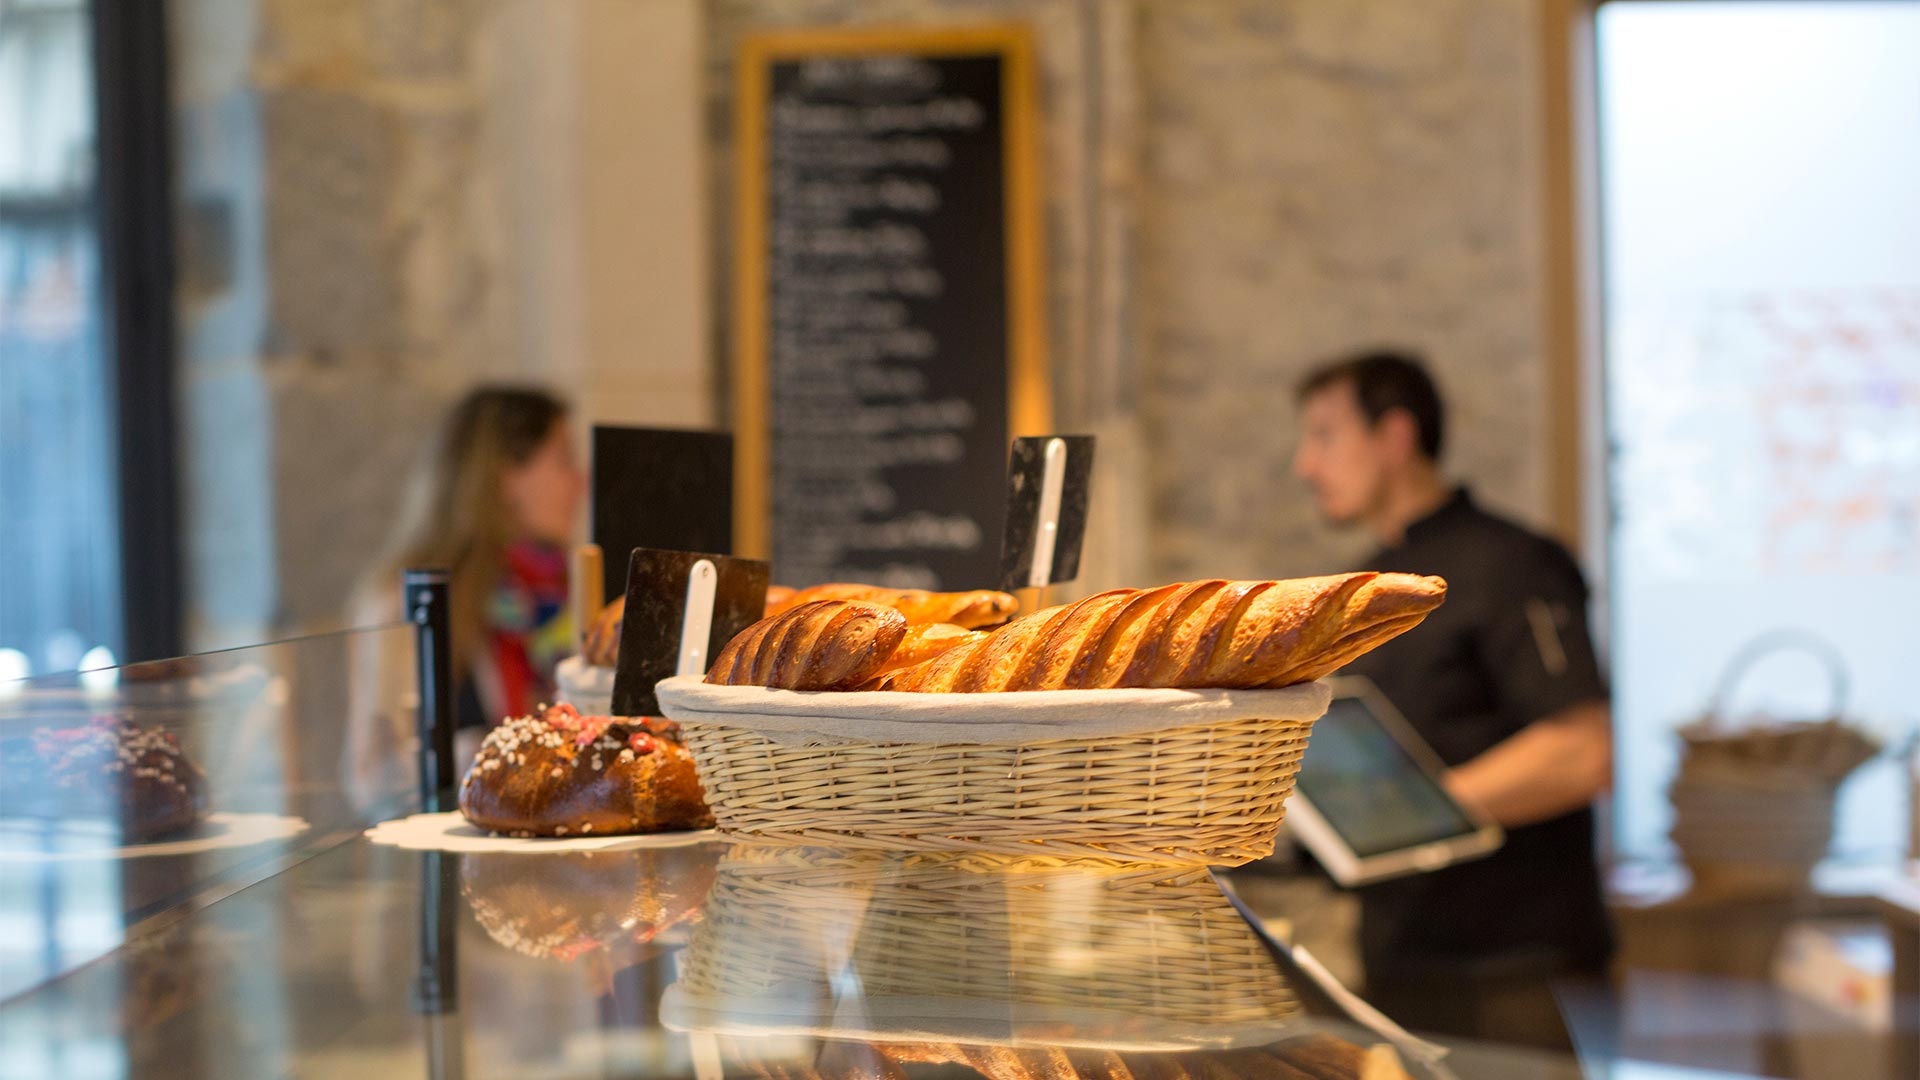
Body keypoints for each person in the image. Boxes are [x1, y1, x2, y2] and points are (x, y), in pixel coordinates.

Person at [1291, 349, 1614, 1049]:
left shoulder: (1513, 563)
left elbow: (1580, 754)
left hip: (1512, 966)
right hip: (1402, 955)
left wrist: (1401, 823)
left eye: (1324, 435)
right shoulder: (1361, 591)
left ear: (1395, 437)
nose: (1305, 466)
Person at [345, 386, 586, 812]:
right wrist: (465, 757)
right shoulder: (405, 601)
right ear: (508, 477)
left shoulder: (560, 594)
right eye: (563, 459)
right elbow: (370, 780)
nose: (580, 481)